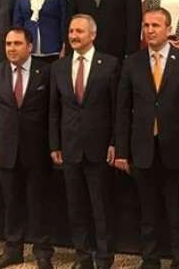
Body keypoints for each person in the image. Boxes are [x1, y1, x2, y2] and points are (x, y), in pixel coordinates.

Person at [114, 8, 179, 269]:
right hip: (143, 150)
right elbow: (123, 110)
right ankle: (150, 259)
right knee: (147, 211)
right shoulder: (132, 62)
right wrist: (121, 151)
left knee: (177, 211)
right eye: (146, 26)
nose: (150, 30)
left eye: (155, 25)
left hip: (176, 149)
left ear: (168, 29)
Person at [50, 14, 120, 269]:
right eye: (71, 31)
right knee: (76, 207)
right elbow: (54, 110)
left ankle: (104, 257)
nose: (74, 36)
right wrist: (55, 144)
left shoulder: (109, 64)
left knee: (101, 206)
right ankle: (82, 257)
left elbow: (117, 108)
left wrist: (115, 142)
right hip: (70, 148)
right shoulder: (58, 67)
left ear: (93, 34)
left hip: (99, 148)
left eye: (79, 31)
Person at [0, 28, 54, 269]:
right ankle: (13, 250)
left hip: (37, 150)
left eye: (17, 43)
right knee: (11, 203)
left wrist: (54, 146)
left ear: (30, 47)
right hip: (6, 150)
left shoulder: (45, 71)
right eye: (8, 44)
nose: (11, 48)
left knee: (38, 203)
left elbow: (53, 111)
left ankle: (43, 252)